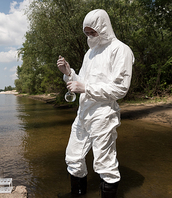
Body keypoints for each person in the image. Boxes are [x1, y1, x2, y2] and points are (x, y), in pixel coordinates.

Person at [57, 9, 134, 197]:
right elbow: (81, 81)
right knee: (73, 157)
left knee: (104, 164)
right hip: (83, 113)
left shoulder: (120, 50)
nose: (90, 36)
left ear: (104, 27)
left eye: (93, 32)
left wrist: (86, 89)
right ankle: (78, 194)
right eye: (87, 33)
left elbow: (120, 89)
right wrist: (68, 73)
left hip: (103, 114)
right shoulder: (89, 53)